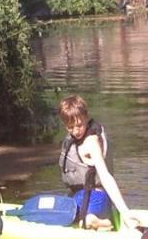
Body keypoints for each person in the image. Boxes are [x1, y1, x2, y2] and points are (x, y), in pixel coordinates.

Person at [57, 95, 140, 230]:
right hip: (80, 197)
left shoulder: (91, 142)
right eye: (70, 127)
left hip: (98, 198)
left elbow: (106, 176)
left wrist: (125, 213)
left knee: (87, 222)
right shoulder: (73, 139)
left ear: (86, 117)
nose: (76, 131)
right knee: (59, 214)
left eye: (79, 125)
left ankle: (107, 222)